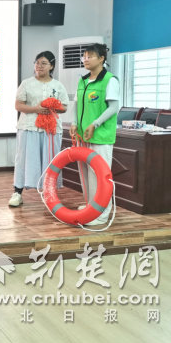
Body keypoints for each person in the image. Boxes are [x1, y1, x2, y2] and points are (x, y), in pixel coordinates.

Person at [9, 51, 69, 207]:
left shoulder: (57, 85)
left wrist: (53, 106)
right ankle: (17, 192)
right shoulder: (26, 83)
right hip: (29, 127)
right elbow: (18, 105)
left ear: (52, 66)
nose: (39, 66)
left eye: (44, 63)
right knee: (23, 159)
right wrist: (36, 109)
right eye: (37, 63)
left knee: (51, 160)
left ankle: (50, 193)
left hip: (51, 129)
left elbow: (64, 107)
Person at [69, 43, 119, 226]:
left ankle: (102, 214)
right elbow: (76, 105)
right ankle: (91, 206)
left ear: (101, 58)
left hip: (100, 135)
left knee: (99, 175)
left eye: (89, 56)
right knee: (86, 174)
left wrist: (95, 124)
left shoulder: (110, 80)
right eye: (84, 56)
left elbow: (113, 107)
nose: (85, 59)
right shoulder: (83, 81)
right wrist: (74, 123)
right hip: (83, 136)